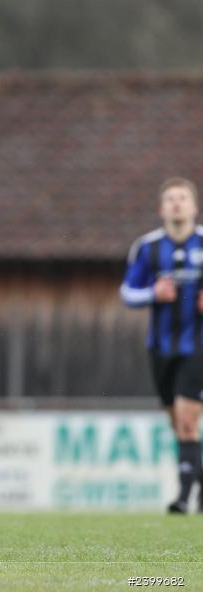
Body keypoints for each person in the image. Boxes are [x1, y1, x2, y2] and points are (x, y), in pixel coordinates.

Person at [121, 176, 203, 514]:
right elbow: (127, 292)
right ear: (161, 208)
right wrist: (152, 293)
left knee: (187, 419)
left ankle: (183, 498)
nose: (177, 204)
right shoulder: (148, 247)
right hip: (160, 347)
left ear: (194, 207)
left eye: (182, 198)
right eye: (170, 199)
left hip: (197, 346)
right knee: (176, 423)